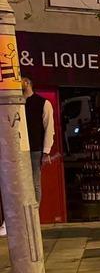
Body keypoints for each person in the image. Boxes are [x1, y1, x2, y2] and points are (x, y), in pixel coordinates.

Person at [0, 77, 55, 237]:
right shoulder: (15, 103)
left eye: (22, 80)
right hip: (15, 149)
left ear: (29, 83)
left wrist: (46, 151)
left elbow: (49, 128)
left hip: (34, 149)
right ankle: (13, 220)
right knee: (13, 183)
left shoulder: (43, 103)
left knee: (34, 182)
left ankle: (33, 216)